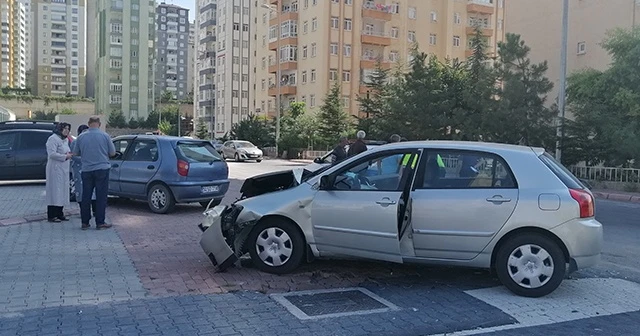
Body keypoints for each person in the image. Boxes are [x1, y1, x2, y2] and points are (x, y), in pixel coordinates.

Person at [72, 117, 116, 230]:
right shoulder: (105, 136)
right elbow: (112, 152)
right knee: (101, 196)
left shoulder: (81, 137)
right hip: (102, 168)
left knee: (86, 196)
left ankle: (85, 222)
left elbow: (75, 153)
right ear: (99, 124)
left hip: (86, 169)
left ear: (89, 124)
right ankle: (100, 222)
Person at [45, 122, 72, 222]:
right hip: (55, 169)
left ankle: (60, 213)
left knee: (62, 191)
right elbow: (52, 154)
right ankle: (52, 215)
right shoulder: (53, 139)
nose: (67, 131)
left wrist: (68, 154)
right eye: (64, 128)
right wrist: (65, 156)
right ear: (59, 129)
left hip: (64, 169)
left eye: (68, 129)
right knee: (55, 191)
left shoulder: (65, 140)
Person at [70, 124, 97, 219]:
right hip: (79, 168)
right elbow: (73, 155)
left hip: (90, 168)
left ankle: (95, 211)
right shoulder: (75, 142)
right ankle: (84, 212)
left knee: (93, 190)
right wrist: (85, 159)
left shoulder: (92, 141)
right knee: (81, 191)